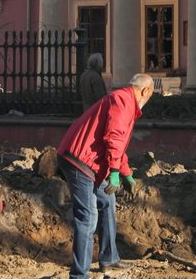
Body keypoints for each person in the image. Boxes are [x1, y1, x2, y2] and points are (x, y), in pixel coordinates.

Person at [58, 73, 154, 279]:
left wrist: (126, 175)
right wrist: (115, 173)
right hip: (79, 160)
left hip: (89, 161)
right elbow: (114, 139)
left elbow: (118, 146)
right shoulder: (122, 101)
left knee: (108, 200)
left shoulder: (123, 101)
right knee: (88, 217)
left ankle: (109, 259)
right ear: (146, 91)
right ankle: (79, 275)